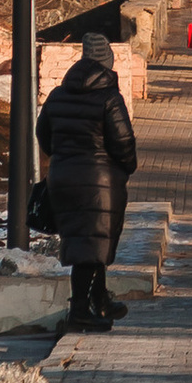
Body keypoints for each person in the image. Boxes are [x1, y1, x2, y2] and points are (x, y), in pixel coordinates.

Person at [38, 32, 138, 332]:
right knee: (92, 245)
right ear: (107, 64)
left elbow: (43, 134)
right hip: (99, 181)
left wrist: (63, 158)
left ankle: (100, 301)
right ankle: (80, 310)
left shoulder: (58, 95)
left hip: (63, 179)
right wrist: (125, 168)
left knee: (88, 243)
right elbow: (124, 143)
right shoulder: (109, 97)